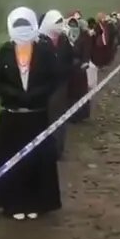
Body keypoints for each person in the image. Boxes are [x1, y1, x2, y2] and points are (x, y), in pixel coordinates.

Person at [0, 7, 63, 220]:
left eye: (26, 25)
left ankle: (36, 203)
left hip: (36, 115)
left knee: (37, 160)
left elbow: (54, 78)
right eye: (18, 25)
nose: (22, 30)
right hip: (11, 116)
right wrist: (13, 94)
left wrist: (37, 94)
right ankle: (13, 204)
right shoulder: (5, 51)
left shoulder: (45, 51)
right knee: (12, 161)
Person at [38, 9, 73, 158]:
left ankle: (57, 150)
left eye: (61, 22)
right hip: (43, 86)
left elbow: (71, 58)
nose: (60, 26)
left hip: (60, 85)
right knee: (43, 119)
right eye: (57, 23)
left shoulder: (64, 40)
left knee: (59, 119)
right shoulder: (39, 41)